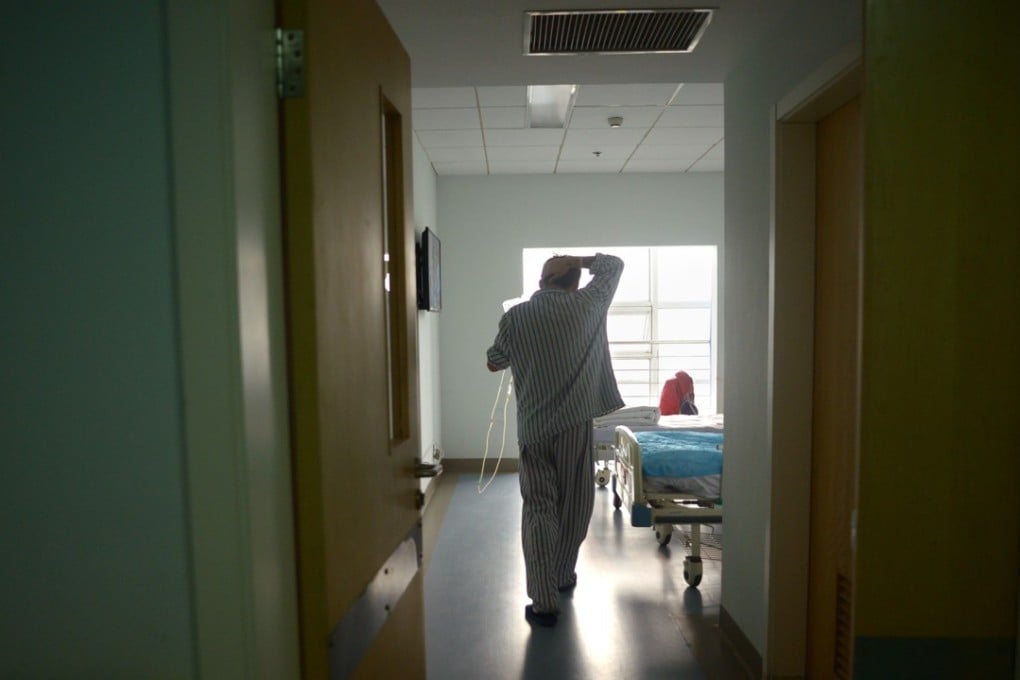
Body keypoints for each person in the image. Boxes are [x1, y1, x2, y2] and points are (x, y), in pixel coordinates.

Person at [486, 253, 625, 627]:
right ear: (575, 282)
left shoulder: (516, 317)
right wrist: (577, 259)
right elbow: (613, 265)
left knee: (539, 508)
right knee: (575, 504)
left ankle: (543, 599)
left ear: (541, 281)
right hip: (575, 425)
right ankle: (562, 574)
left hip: (534, 429)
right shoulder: (589, 303)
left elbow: (494, 361)